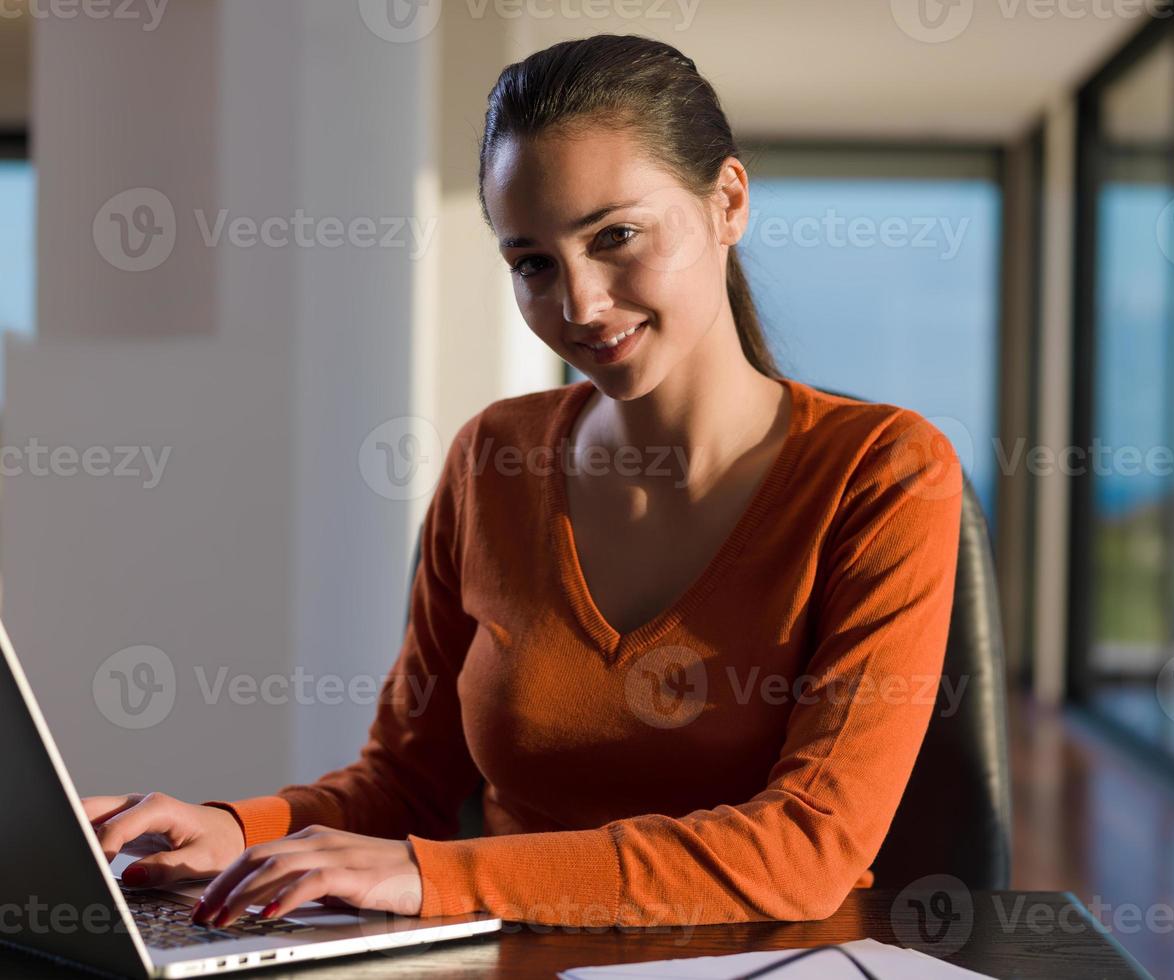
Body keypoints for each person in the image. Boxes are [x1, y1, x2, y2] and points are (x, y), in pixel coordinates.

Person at [83, 33, 964, 931]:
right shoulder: (492, 459)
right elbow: (405, 784)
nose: (578, 305)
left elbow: (805, 850)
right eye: (532, 263)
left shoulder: (881, 470)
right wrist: (236, 829)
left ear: (727, 200)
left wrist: (436, 879)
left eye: (614, 235)